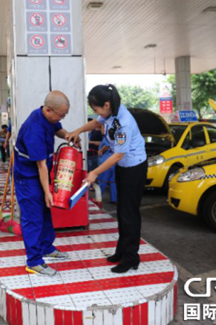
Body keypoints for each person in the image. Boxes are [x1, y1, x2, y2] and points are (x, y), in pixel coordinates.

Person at [67, 84, 147, 274]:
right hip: (124, 167)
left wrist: (94, 173)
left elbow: (118, 154)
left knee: (130, 214)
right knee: (122, 211)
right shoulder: (111, 112)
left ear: (106, 104)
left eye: (96, 109)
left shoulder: (124, 123)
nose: (96, 113)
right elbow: (97, 123)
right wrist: (78, 130)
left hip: (134, 168)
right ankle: (122, 251)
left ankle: (131, 258)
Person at [14, 91, 71, 276]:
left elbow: (58, 129)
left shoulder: (48, 119)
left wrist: (68, 135)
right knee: (33, 219)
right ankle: (34, 261)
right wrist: (48, 192)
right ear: (48, 109)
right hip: (28, 177)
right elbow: (41, 166)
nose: (61, 118)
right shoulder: (35, 128)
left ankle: (46, 247)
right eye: (61, 115)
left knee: (45, 213)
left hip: (39, 174)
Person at [97, 125, 117, 204]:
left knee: (102, 180)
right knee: (113, 182)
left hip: (106, 162)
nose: (100, 129)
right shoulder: (115, 134)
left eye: (102, 127)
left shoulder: (108, 135)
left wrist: (101, 150)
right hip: (114, 161)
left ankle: (98, 198)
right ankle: (114, 198)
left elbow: (108, 145)